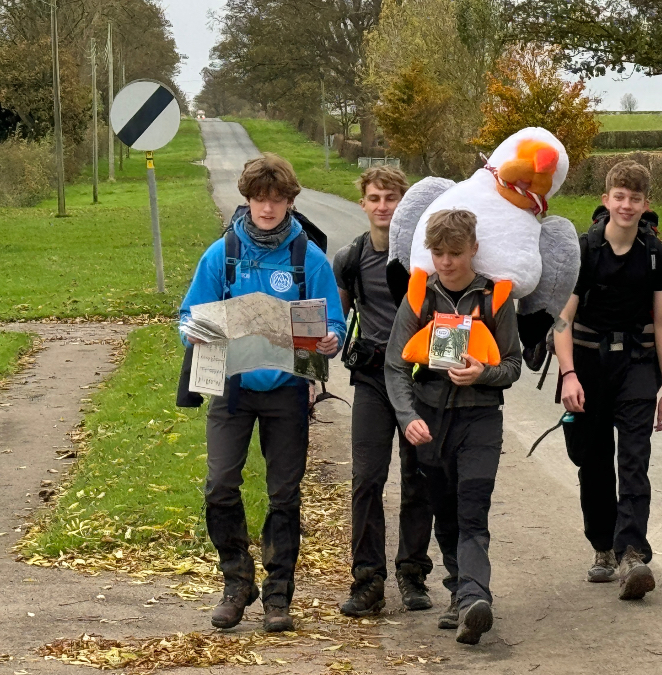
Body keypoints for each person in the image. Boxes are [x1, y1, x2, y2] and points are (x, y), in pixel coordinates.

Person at [180, 153, 345, 631]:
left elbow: (331, 320)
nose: (267, 209)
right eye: (258, 199)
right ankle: (236, 582)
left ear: (290, 201)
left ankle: (278, 597)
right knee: (220, 486)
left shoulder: (306, 256)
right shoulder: (223, 253)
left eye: (276, 200)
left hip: (287, 391)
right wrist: (191, 332)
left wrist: (331, 338)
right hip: (230, 388)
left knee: (284, 495)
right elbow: (188, 315)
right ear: (247, 200)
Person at [384, 209, 521, 645]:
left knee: (472, 511)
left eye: (456, 253)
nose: (446, 262)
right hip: (430, 420)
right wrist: (408, 418)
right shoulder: (420, 296)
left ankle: (474, 598)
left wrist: (483, 373)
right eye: (438, 253)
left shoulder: (497, 299)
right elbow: (395, 366)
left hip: (480, 420)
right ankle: (460, 593)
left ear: (474, 250)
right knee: (444, 512)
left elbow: (514, 365)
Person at [552, 160, 662, 601]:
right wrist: (568, 374)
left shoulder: (656, 255)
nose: (627, 205)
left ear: (646, 205)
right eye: (619, 197)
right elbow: (562, 320)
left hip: (637, 366)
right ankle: (602, 547)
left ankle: (631, 554)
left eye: (635, 199)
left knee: (634, 460)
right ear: (606, 200)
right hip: (586, 364)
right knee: (593, 461)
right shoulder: (583, 251)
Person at [330, 167, 435, 616]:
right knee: (367, 479)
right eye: (374, 198)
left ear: (404, 202)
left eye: (391, 198)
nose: (382, 206)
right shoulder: (350, 258)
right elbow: (337, 320)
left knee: (419, 479)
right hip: (372, 379)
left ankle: (413, 576)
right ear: (363, 204)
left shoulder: (423, 257)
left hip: (420, 380)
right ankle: (368, 581)